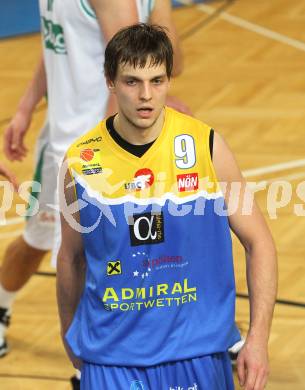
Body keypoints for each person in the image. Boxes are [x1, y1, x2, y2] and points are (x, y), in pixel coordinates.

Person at [57, 24, 277, 390]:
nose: (146, 95)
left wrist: (258, 337)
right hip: (111, 359)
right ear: (110, 80)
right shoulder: (81, 162)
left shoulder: (207, 147)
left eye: (157, 80)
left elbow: (260, 243)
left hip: (198, 354)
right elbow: (71, 259)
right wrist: (70, 336)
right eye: (132, 81)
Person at [0, 0, 188, 361]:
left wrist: (109, 153)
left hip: (91, 150)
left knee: (105, 264)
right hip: (60, 144)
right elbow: (57, 42)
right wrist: (25, 107)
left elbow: (132, 68)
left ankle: (98, 366)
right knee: (37, 242)